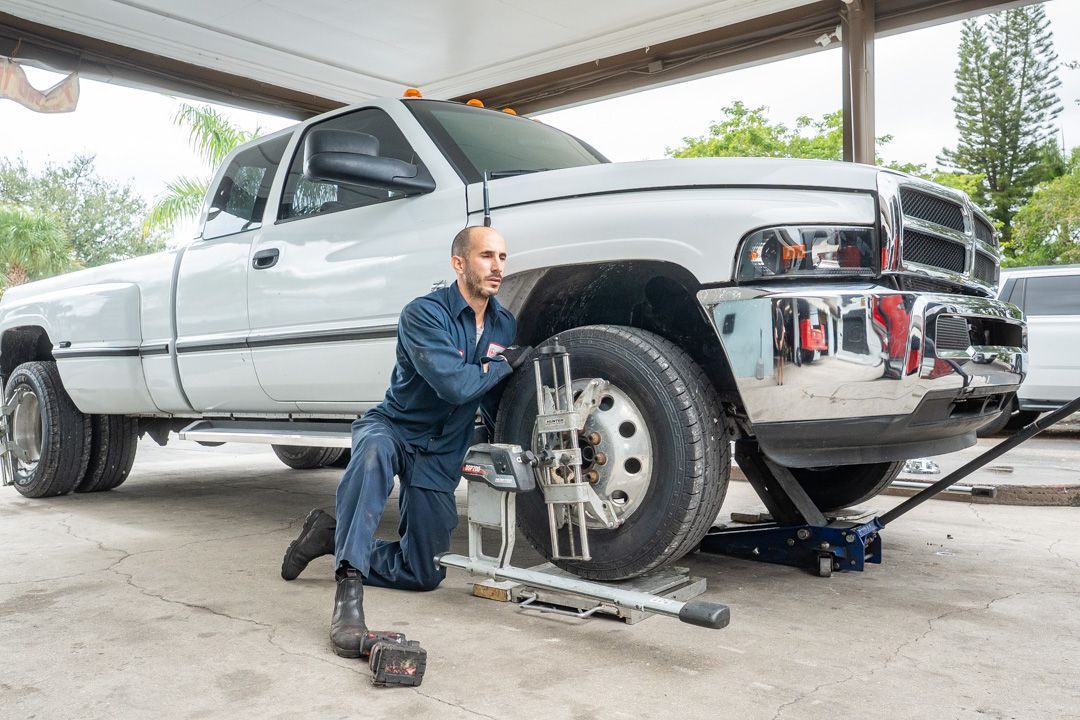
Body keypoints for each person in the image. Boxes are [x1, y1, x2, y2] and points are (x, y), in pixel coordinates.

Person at [279, 225, 531, 658]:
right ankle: (349, 592)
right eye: (486, 256)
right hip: (394, 427)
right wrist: (499, 367)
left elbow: (487, 395)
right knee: (372, 454)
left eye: (503, 258)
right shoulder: (423, 314)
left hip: (441, 449)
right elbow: (453, 385)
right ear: (459, 263)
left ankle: (328, 537)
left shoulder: (504, 323)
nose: (497, 267)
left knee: (424, 572)